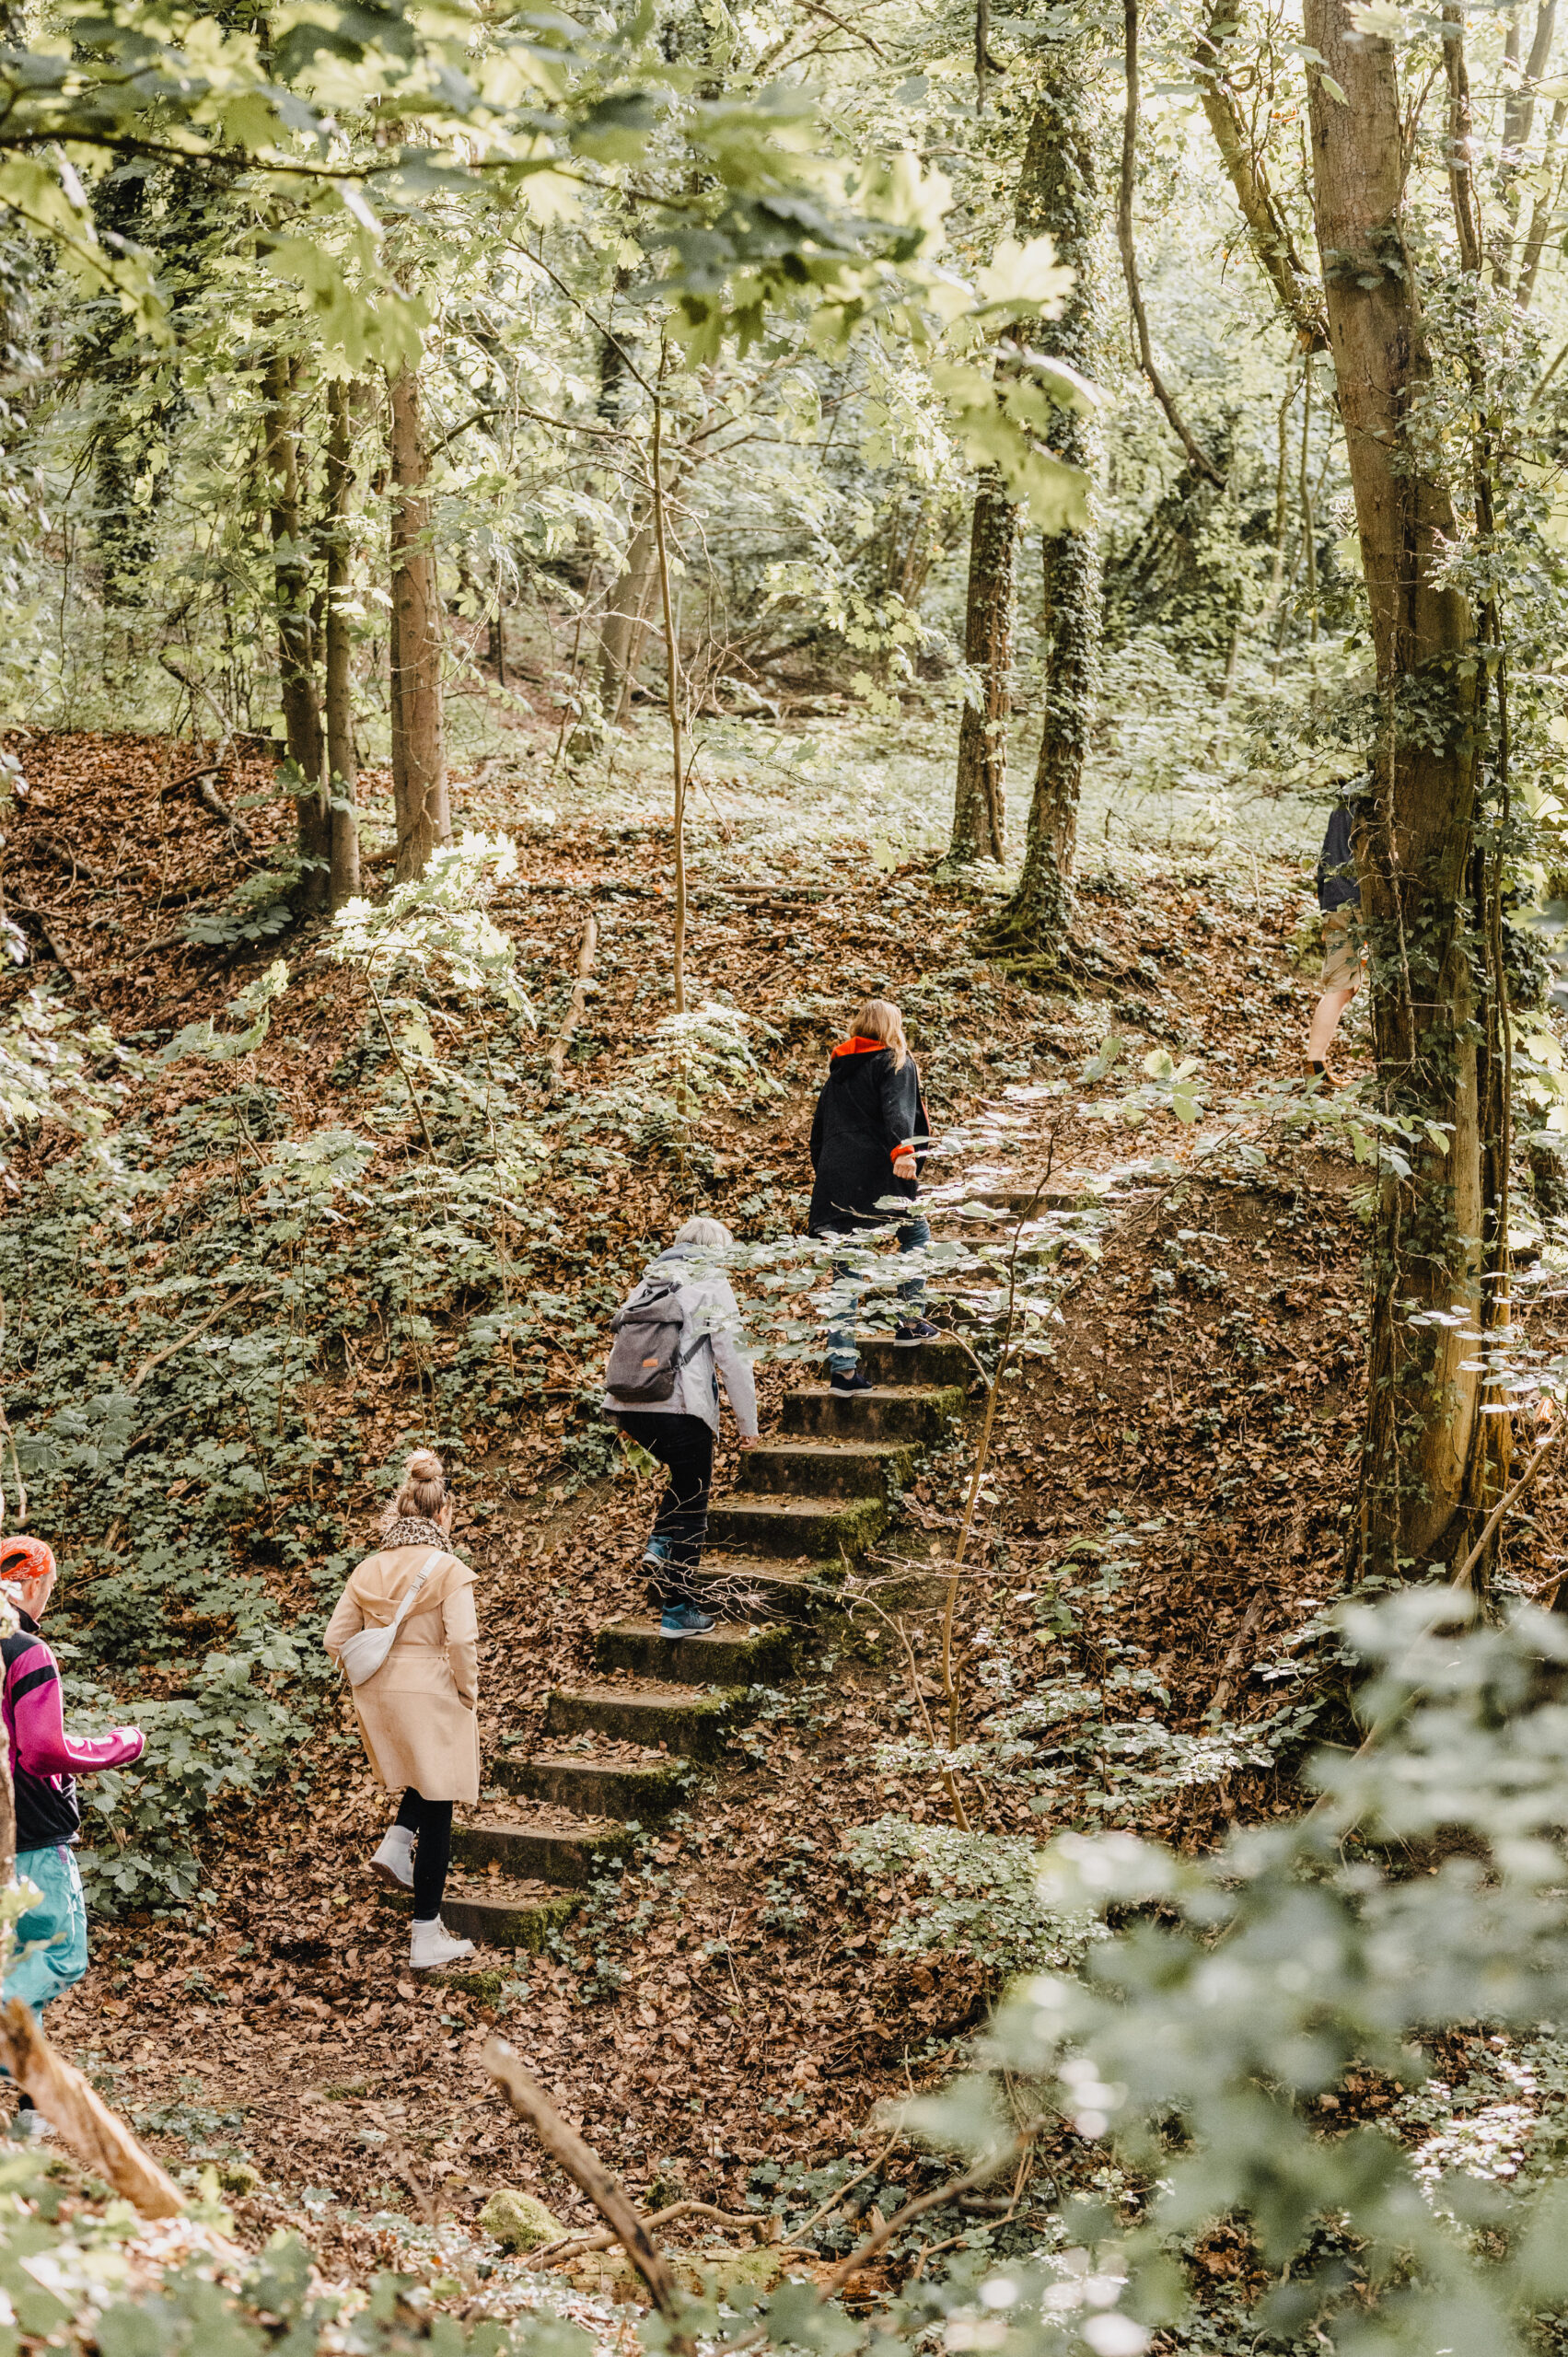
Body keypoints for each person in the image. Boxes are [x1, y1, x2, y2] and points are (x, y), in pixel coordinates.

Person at [0, 1536, 144, 2137]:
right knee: (59, 1952)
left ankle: (32, 2115)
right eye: (48, 1588)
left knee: (16, 1964)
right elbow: (43, 1749)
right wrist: (119, 1744)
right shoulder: (27, 1652)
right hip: (32, 1830)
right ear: (34, 1587)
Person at [324, 1450, 480, 1971]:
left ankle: (396, 1842)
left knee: (425, 1780)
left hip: (381, 1691)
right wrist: (467, 1692)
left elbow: (335, 1639)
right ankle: (425, 1935)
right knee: (440, 1805)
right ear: (442, 1515)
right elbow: (462, 1641)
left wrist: (376, 1682)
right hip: (433, 1688)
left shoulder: (368, 1567)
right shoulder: (451, 1569)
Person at [604, 1217, 759, 1641]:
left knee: (683, 1476)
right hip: (678, 1405)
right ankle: (677, 1609)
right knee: (693, 1500)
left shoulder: (649, 1280)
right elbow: (734, 1359)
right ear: (718, 1249)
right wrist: (749, 1423)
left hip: (629, 1403)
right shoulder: (711, 1283)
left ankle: (658, 1542)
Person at [808, 997, 937, 1393]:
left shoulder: (838, 1074)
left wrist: (830, 1178)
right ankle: (910, 1321)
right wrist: (904, 1152)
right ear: (890, 1027)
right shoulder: (895, 1061)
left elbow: (818, 1135)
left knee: (846, 1272)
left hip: (836, 1182)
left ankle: (843, 1371)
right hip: (880, 1173)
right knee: (915, 1234)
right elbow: (899, 1110)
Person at [1309, 786, 1367, 1081]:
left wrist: (1325, 907)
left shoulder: (1343, 802)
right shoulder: (1372, 802)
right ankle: (1314, 1063)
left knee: (1345, 986)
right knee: (1341, 987)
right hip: (1358, 902)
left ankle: (1315, 1063)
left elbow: (1324, 860)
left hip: (1335, 900)